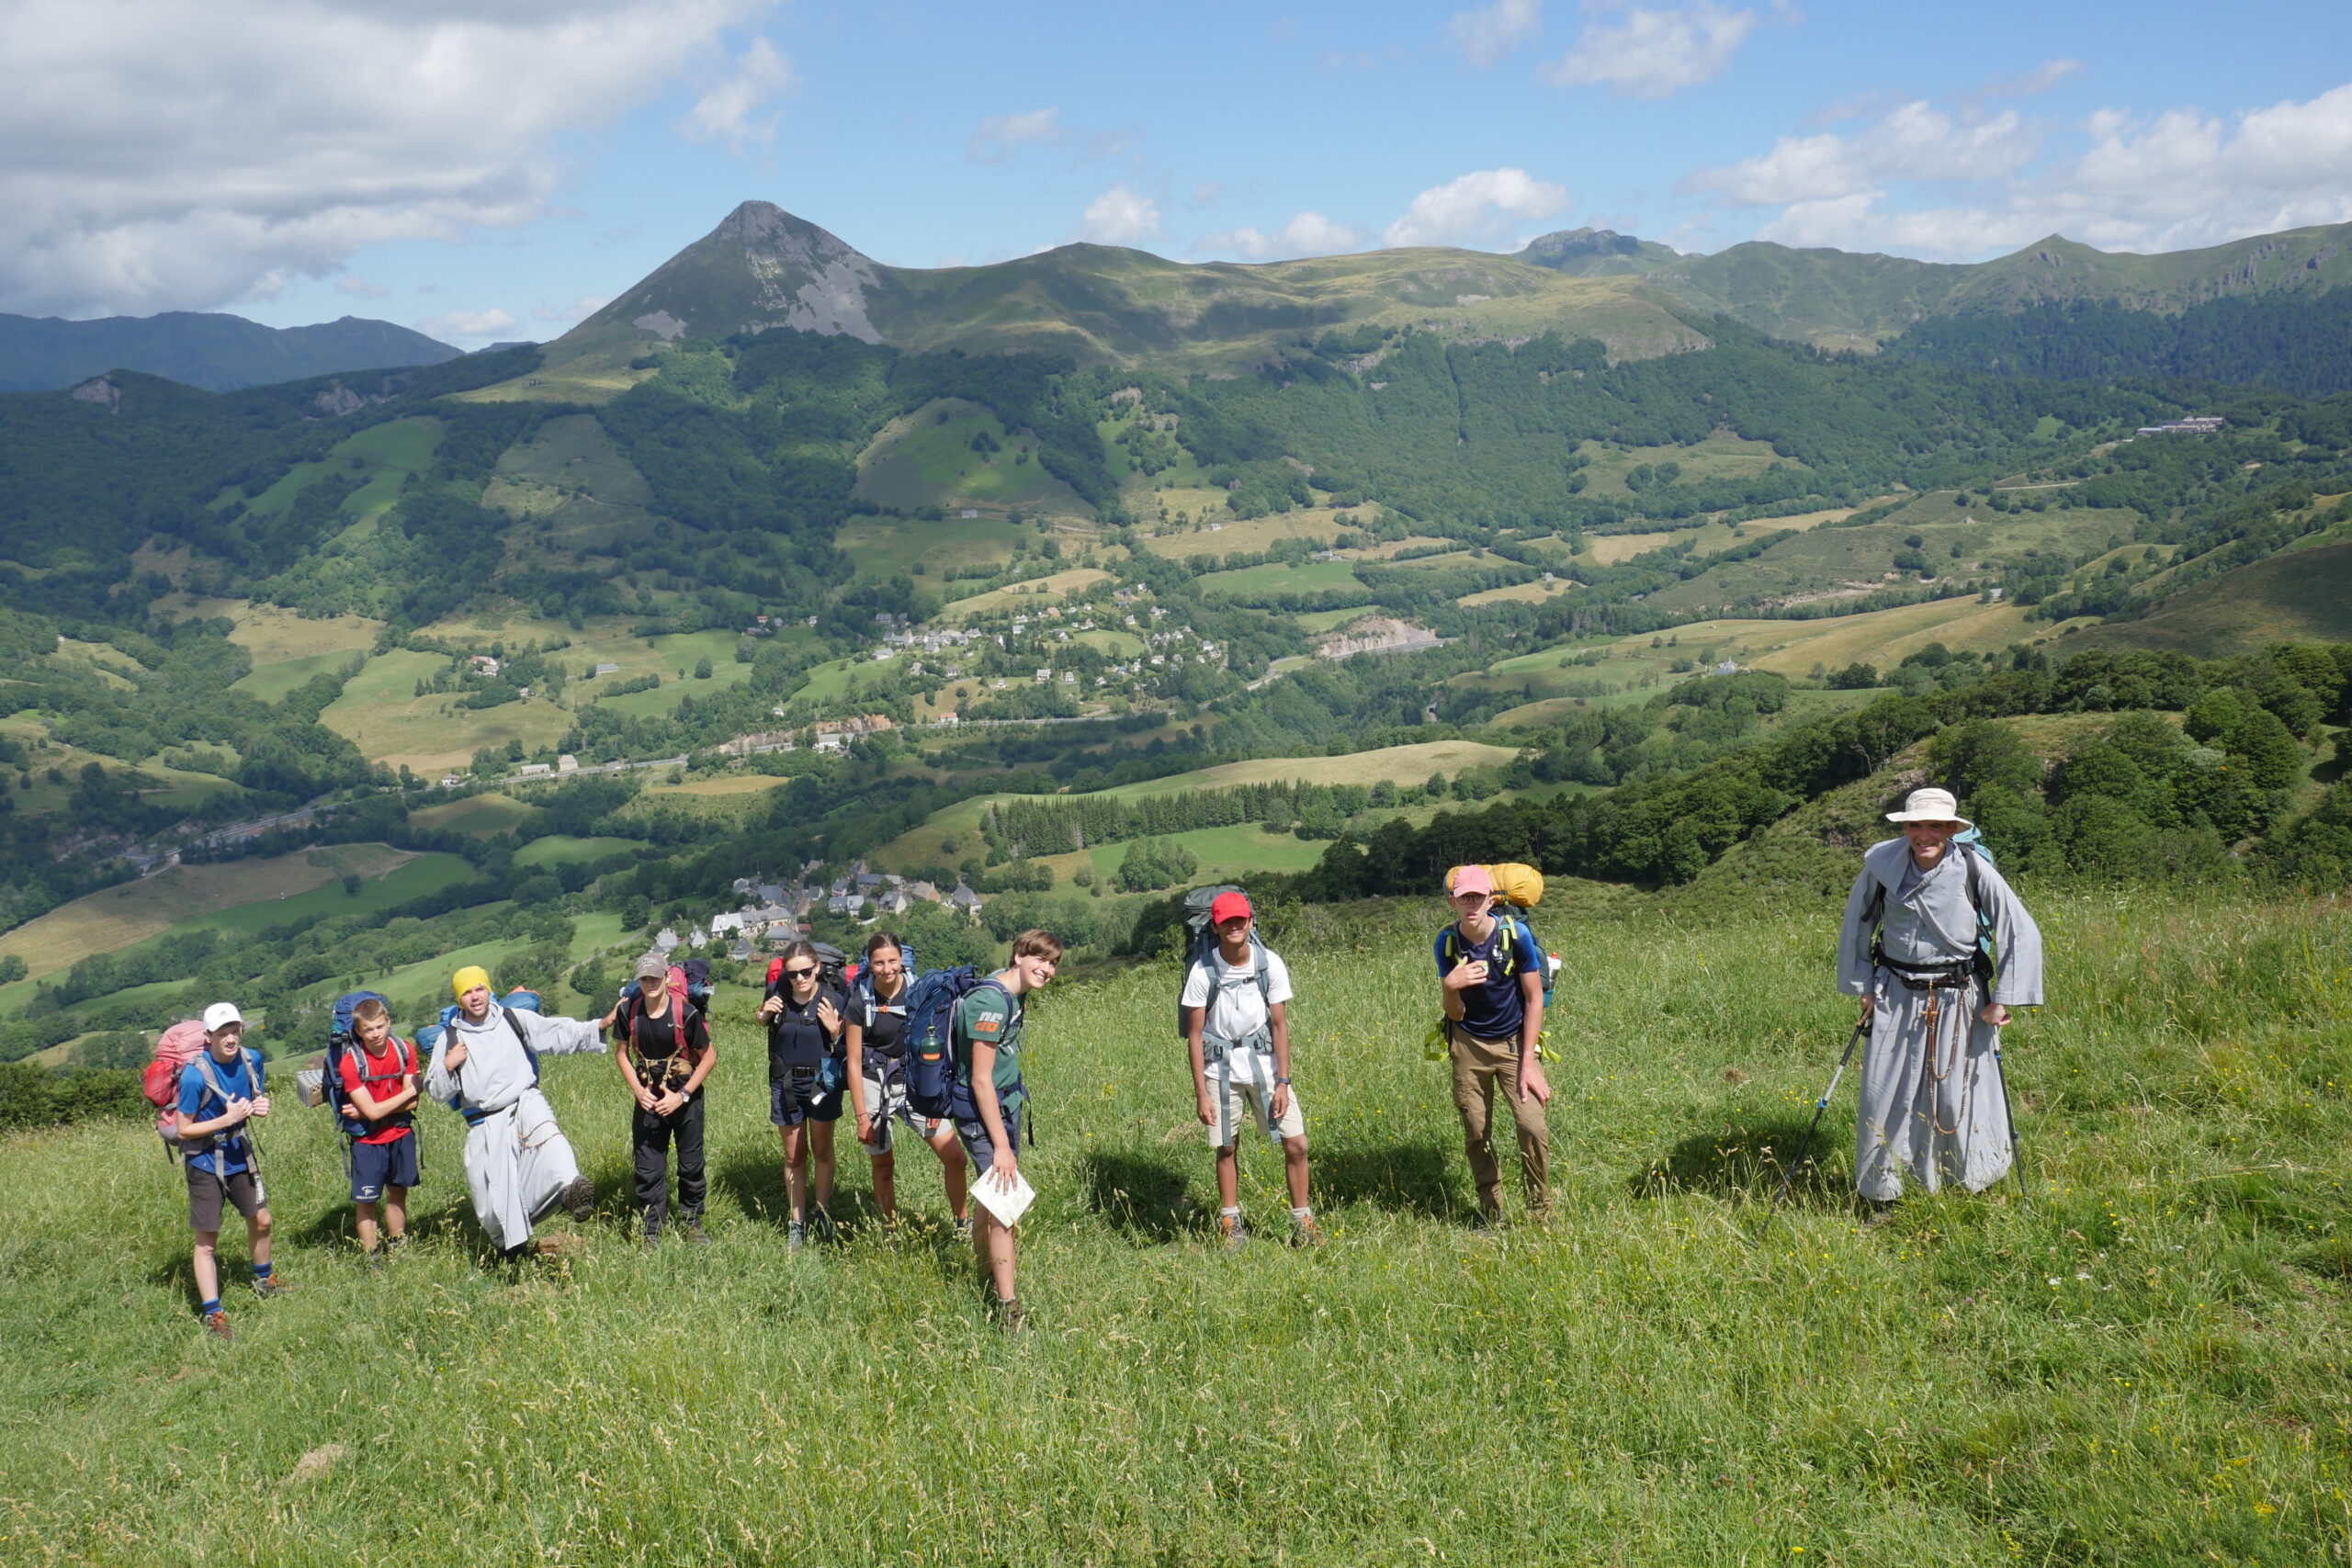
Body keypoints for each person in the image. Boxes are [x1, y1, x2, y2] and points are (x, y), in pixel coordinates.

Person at [1837, 786, 2044, 1217]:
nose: (1924, 834)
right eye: (1915, 824)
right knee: (1886, 1091)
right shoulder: (1880, 867)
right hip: (1895, 992)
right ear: (1905, 827)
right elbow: (1856, 927)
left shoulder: (1973, 868)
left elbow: (2019, 931)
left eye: (1935, 826)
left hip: (1961, 995)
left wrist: (2002, 1000)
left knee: (1960, 1092)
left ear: (1952, 829)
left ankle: (1974, 1181)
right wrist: (1865, 988)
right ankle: (1884, 1195)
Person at [423, 964, 610, 1260]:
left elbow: (555, 1033)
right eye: (467, 992)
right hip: (484, 1124)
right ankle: (512, 1253)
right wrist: (448, 1064)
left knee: (551, 1142)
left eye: (479, 988)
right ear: (459, 999)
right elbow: (435, 1090)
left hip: (525, 1103)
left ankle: (569, 1191)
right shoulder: (450, 1038)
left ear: (488, 989)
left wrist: (597, 1026)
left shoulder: (512, 1018)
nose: (475, 996)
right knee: (494, 1207)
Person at [1181, 891, 1321, 1247]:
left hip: (1266, 1068)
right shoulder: (1202, 971)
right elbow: (1194, 1035)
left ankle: (1302, 1220)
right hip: (1220, 1071)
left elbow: (1280, 1025)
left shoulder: (1269, 963)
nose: (1234, 926)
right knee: (1226, 1147)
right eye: (1226, 921)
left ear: (1250, 922)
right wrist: (1200, 1093)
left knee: (1297, 1144)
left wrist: (1284, 1082)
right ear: (1215, 925)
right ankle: (1231, 1222)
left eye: (1240, 920)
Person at [954, 928, 1060, 1329]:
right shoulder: (991, 1001)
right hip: (985, 1113)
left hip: (1004, 1105)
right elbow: (980, 1078)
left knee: (989, 1199)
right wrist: (1001, 1146)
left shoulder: (1013, 993)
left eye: (1053, 963)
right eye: (1039, 959)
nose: (1047, 969)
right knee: (1005, 1208)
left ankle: (985, 1277)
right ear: (1018, 955)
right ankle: (1008, 1309)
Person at [1434, 865, 1553, 1224]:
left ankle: (1541, 1211)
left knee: (1532, 1125)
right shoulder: (1447, 942)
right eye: (1463, 897)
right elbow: (1455, 1015)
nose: (1471, 903)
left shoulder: (1516, 936)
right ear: (1453, 901)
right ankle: (1492, 1211)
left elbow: (1534, 998)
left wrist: (1529, 1061)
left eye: (1478, 896)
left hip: (1514, 1042)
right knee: (1476, 1131)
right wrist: (1451, 986)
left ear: (1491, 899)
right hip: (1468, 1044)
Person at [845, 931, 970, 1233]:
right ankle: (891, 1230)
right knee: (883, 1164)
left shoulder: (919, 991)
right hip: (874, 1082)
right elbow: (852, 1061)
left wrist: (934, 1100)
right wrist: (862, 1117)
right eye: (879, 963)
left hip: (917, 1081)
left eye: (893, 961)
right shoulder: (859, 1000)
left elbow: (938, 1044)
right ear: (869, 963)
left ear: (902, 960)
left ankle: (962, 1223)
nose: (887, 969)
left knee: (955, 1158)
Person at [176, 1002, 285, 1341]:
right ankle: (214, 1315)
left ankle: (263, 1281)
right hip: (205, 1163)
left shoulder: (253, 1059)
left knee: (262, 1220)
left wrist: (260, 1105)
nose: (230, 1038)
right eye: (222, 1033)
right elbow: (183, 1130)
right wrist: (225, 1119)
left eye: (234, 1031)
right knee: (207, 1242)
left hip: (240, 1156)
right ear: (208, 1037)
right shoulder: (195, 1075)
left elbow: (252, 1097)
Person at [614, 952, 716, 1245]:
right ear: (638, 980)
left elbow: (709, 1058)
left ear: (667, 978)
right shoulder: (628, 1012)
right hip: (648, 1096)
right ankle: (651, 1230)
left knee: (691, 1164)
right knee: (648, 1165)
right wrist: (638, 1091)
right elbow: (621, 1053)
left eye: (655, 977)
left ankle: (692, 1223)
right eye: (645, 978)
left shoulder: (686, 1013)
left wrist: (682, 1095)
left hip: (685, 1097)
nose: (650, 983)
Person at [758, 942, 844, 1252]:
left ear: (817, 967)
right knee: (794, 1156)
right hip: (786, 1083)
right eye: (793, 974)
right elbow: (763, 1021)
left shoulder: (833, 997)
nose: (799, 979)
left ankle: (822, 1212)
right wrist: (763, 1014)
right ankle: (797, 1222)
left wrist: (835, 1030)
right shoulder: (776, 994)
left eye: (805, 972)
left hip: (823, 1082)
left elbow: (847, 1043)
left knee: (822, 1150)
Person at [336, 997, 419, 1269]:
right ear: (359, 1032)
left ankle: (398, 1246)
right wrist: (404, 1094)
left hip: (400, 1133)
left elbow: (414, 1102)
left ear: (388, 1023)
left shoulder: (405, 1050)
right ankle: (373, 1259)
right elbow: (379, 1110)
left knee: (398, 1193)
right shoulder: (351, 1062)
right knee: (368, 1201)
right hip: (368, 1141)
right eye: (368, 1030)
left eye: (380, 1027)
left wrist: (373, 1108)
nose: (375, 1034)